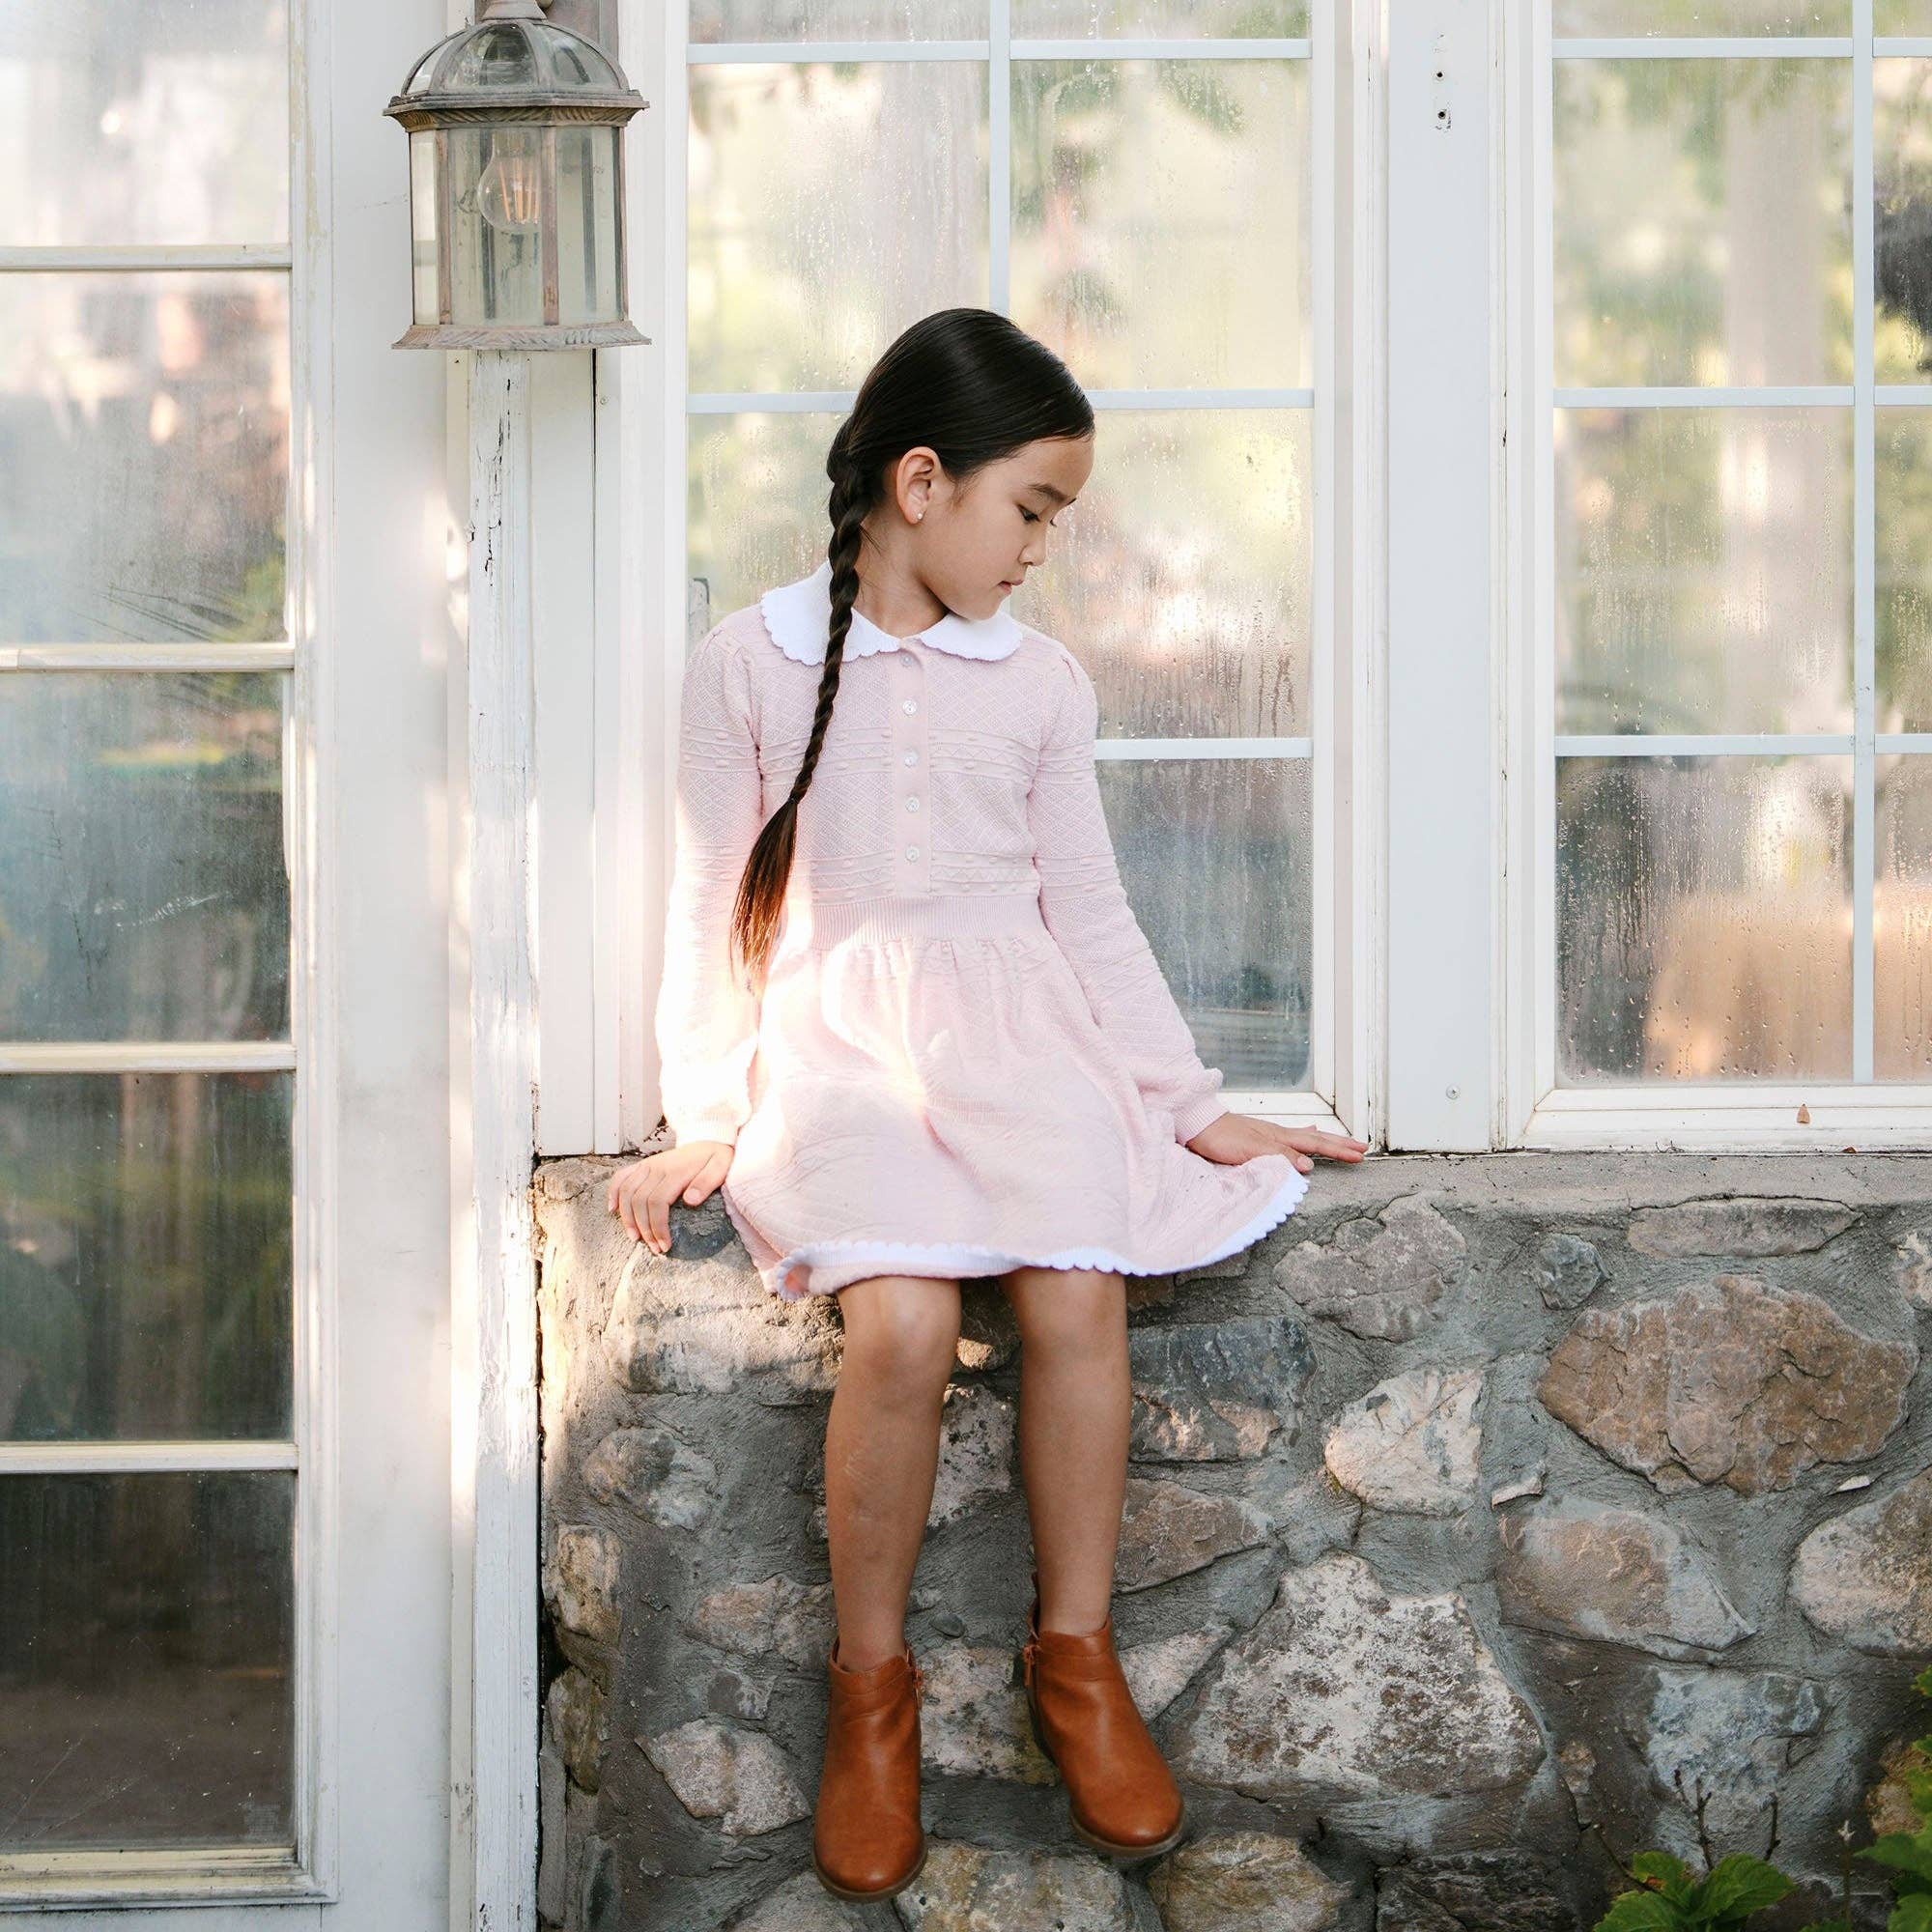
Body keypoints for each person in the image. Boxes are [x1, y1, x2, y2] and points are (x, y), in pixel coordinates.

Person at [606, 306, 1369, 1902]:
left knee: (1076, 1296)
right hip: (843, 1057)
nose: (1039, 552)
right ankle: (870, 1694)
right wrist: (705, 1112)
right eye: (1031, 511)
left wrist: (1186, 1103)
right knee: (893, 1323)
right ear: (921, 479)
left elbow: (1085, 913)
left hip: (1021, 1047)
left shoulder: (1038, 685)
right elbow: (705, 905)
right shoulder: (746, 665)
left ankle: (1074, 1660)